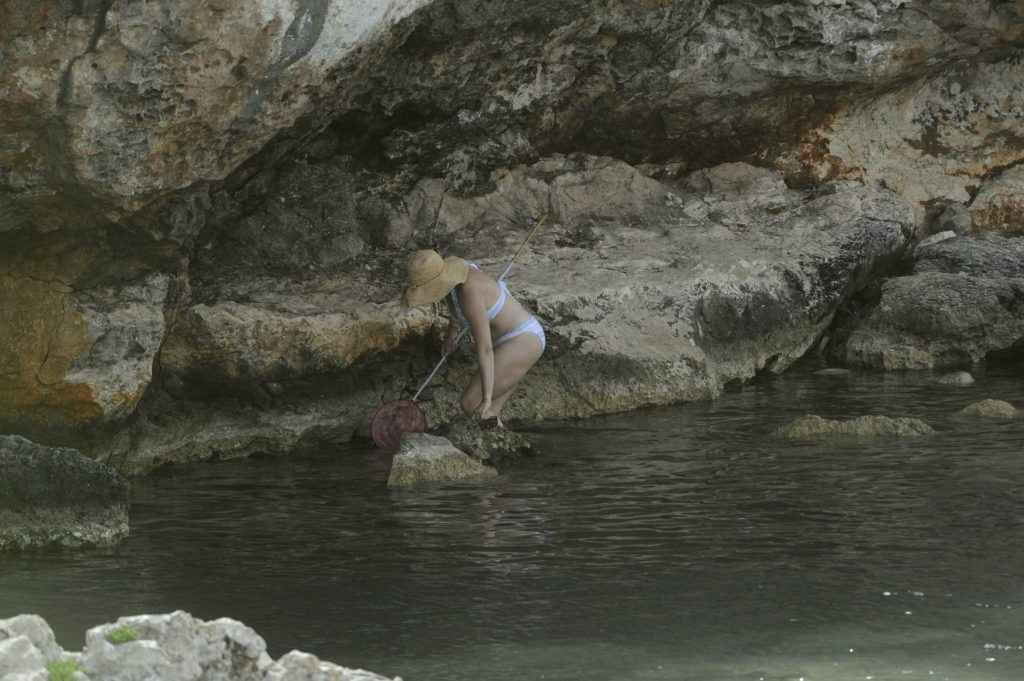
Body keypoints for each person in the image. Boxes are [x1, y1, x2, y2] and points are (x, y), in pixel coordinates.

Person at [403, 249, 545, 429]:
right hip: (508, 342)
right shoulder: (454, 276)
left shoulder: (470, 292)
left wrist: (486, 398)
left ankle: (499, 445)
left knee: (471, 403)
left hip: (524, 339)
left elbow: (485, 349)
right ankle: (506, 448)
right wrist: (451, 335)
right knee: (490, 416)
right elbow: (454, 305)